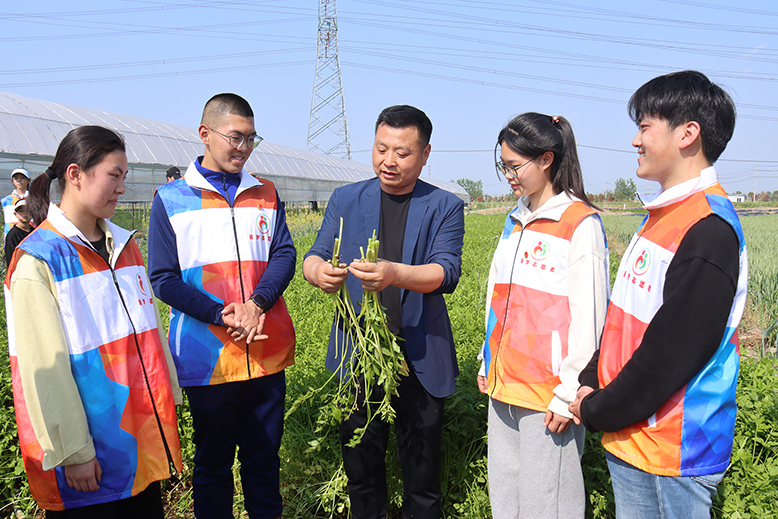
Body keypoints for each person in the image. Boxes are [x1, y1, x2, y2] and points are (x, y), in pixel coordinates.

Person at [569, 70, 747, 518]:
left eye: (645, 126)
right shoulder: (662, 217)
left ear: (688, 134)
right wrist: (592, 376)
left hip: (673, 450)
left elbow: (670, 352)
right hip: (635, 437)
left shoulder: (708, 229)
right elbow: (624, 320)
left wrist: (598, 408)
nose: (635, 140)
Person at [5, 125, 182, 518]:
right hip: (91, 455)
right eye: (113, 175)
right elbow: (42, 369)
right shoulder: (39, 260)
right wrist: (73, 450)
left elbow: (148, 332)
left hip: (140, 435)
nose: (121, 188)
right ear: (75, 174)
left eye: (124, 177)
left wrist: (168, 395)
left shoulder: (126, 245)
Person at [303, 105, 465, 519]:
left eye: (402, 152)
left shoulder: (443, 205)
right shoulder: (346, 198)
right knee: (362, 472)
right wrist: (319, 271)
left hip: (419, 356)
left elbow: (446, 272)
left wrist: (394, 273)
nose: (388, 161)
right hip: (358, 353)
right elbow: (316, 254)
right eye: (381, 148)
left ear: (425, 154)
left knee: (422, 478)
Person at [148, 93, 296, 519]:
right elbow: (163, 278)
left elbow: (283, 254)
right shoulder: (171, 199)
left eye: (251, 138)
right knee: (212, 467)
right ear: (205, 134)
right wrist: (221, 313)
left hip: (265, 353)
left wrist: (256, 303)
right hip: (207, 359)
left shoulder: (265, 192)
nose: (243, 148)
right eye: (235, 137)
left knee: (264, 463)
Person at [476, 113, 609, 518]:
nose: (509, 176)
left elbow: (591, 318)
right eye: (504, 166)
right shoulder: (515, 219)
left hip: (549, 396)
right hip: (504, 384)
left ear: (546, 159)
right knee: (506, 498)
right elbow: (497, 295)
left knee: (548, 504)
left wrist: (569, 393)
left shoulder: (579, 224)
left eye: (515, 166)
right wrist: (486, 357)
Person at [2, 167, 30, 238]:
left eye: (22, 178)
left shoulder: (34, 200)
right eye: (16, 178)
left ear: (28, 180)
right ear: (13, 181)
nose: (19, 180)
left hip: (29, 236)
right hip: (10, 237)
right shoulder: (5, 201)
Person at [4, 199, 33, 266]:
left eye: (27, 210)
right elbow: (10, 260)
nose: (25, 213)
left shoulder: (35, 232)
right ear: (15, 214)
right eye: (21, 211)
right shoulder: (12, 235)